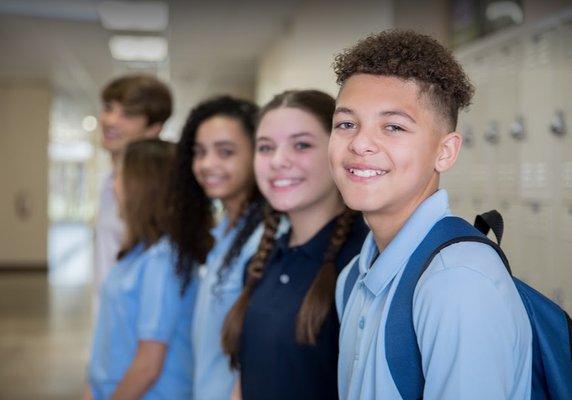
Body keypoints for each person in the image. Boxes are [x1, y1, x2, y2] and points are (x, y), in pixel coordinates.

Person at [329, 30, 532, 399]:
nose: (359, 142)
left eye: (393, 126)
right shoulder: (353, 278)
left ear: (445, 152)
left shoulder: (457, 283)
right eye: (346, 123)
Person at [222, 90, 369, 400]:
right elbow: (247, 378)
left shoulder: (363, 263)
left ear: (338, 150)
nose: (278, 161)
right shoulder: (261, 262)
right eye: (265, 148)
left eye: (301, 145)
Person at [87, 139, 202, 400]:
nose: (114, 185)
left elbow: (148, 366)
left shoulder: (164, 261)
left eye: (120, 176)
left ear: (142, 187)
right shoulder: (138, 253)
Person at [171, 96, 266, 400]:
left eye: (225, 152)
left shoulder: (265, 239)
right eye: (199, 153)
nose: (207, 164)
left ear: (257, 153)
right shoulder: (223, 232)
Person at [94, 74, 172, 299]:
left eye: (127, 114)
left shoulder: (155, 192)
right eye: (109, 109)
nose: (111, 121)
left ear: (153, 129)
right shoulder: (109, 182)